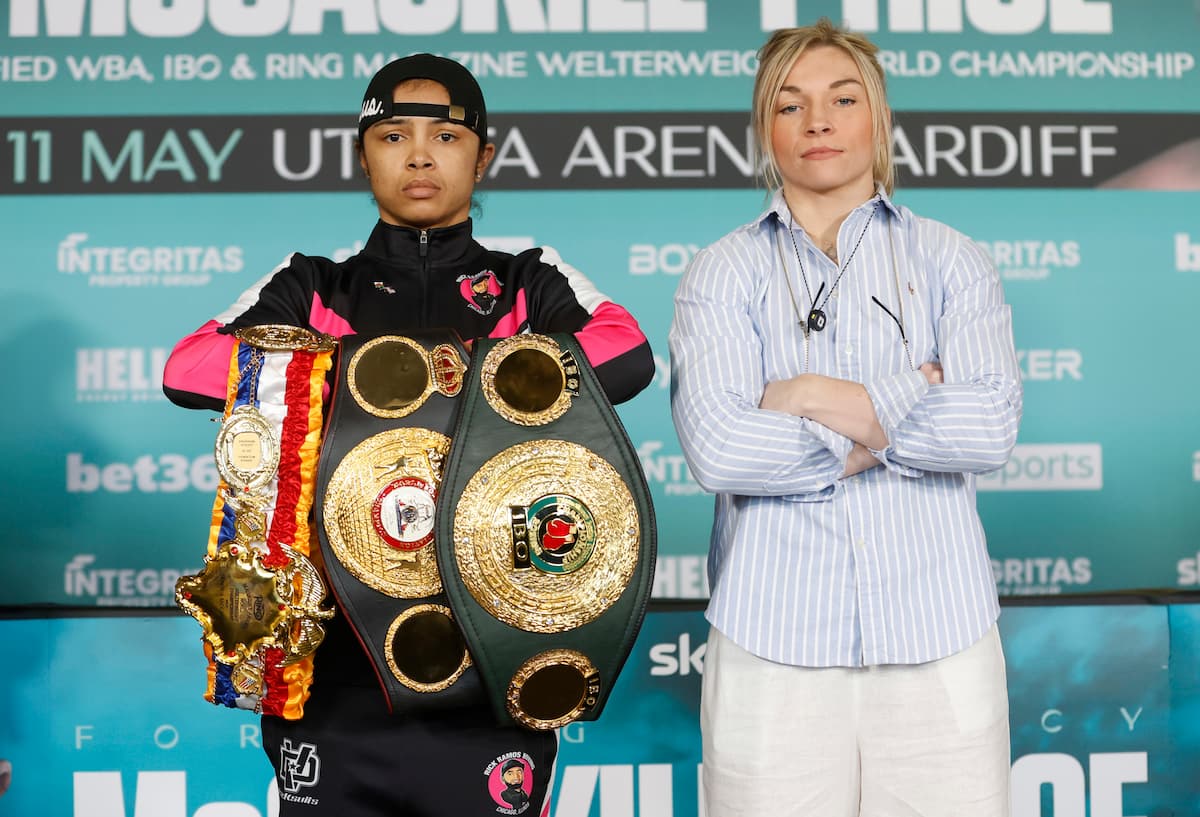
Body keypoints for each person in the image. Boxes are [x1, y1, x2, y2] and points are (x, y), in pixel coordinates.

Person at [164, 53, 654, 817]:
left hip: (493, 661)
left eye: (446, 137)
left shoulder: (527, 278)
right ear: (364, 156)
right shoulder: (314, 284)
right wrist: (370, 378)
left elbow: (626, 354)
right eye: (392, 137)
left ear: (482, 156)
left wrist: (441, 378)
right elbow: (188, 368)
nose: (420, 156)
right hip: (335, 673)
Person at [669, 19, 1021, 817]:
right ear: (767, 129)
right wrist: (903, 403)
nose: (817, 121)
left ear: (878, 118)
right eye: (790, 105)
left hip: (943, 640)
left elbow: (986, 428)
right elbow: (720, 449)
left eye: (841, 98)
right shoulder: (723, 271)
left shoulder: (951, 258)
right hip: (771, 648)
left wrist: (803, 395)